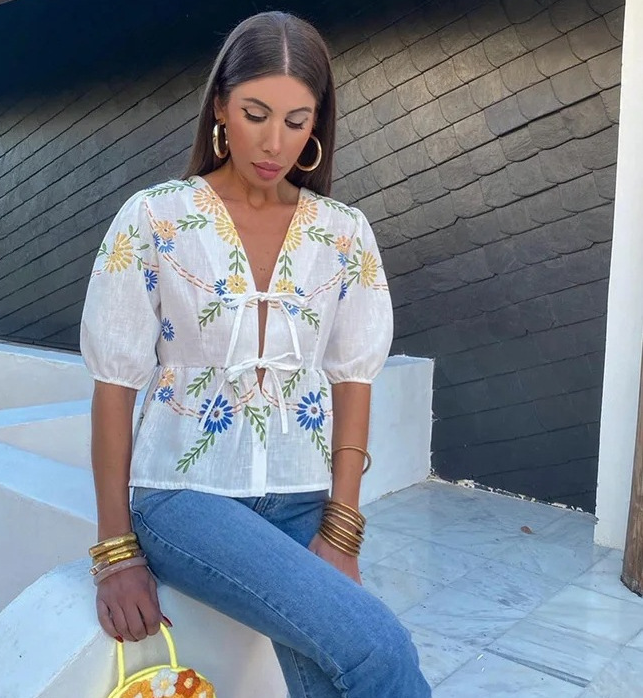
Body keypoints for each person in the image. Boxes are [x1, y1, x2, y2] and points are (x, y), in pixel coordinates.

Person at [79, 10, 431, 697]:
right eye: (255, 114)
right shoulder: (154, 218)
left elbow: (353, 380)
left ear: (317, 123)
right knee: (378, 646)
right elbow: (114, 385)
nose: (274, 143)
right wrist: (115, 552)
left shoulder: (344, 233)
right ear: (220, 106)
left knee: (333, 676)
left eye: (296, 121)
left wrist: (342, 527)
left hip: (304, 497)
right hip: (185, 497)